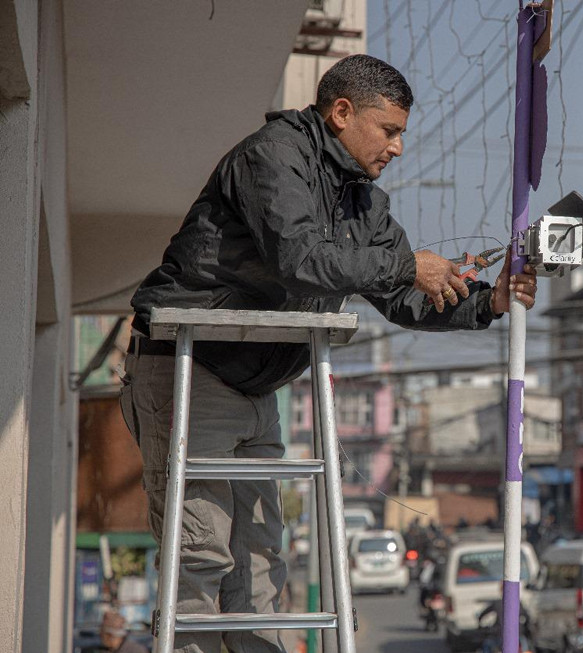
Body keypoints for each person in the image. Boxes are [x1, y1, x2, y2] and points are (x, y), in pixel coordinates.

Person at [118, 54, 538, 653]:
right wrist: (406, 265)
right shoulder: (275, 155)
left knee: (260, 560)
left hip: (255, 384)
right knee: (199, 552)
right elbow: (301, 259)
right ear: (341, 112)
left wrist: (488, 303)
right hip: (189, 366)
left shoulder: (363, 200)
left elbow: (401, 295)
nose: (396, 148)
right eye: (389, 131)